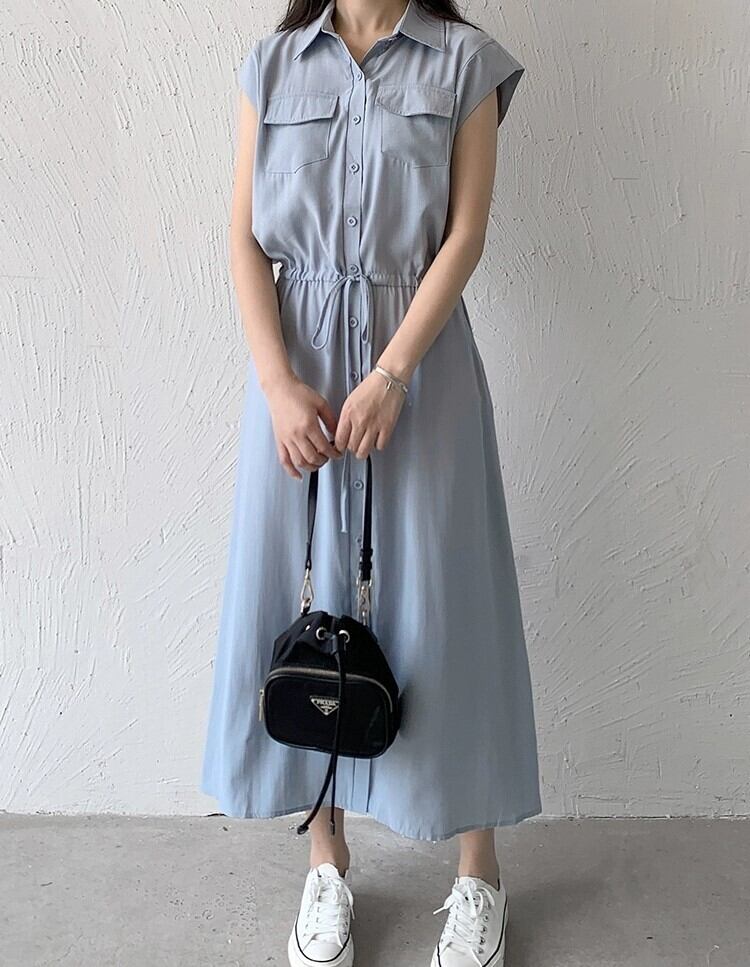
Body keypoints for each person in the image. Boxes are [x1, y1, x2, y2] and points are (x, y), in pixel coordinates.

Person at [200, 1, 542, 964]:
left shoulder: (466, 63)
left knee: (448, 605)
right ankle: (326, 861)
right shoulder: (270, 66)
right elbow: (243, 239)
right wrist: (276, 384)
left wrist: (393, 373)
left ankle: (478, 873)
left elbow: (464, 234)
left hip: (421, 373)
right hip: (297, 377)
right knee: (302, 610)